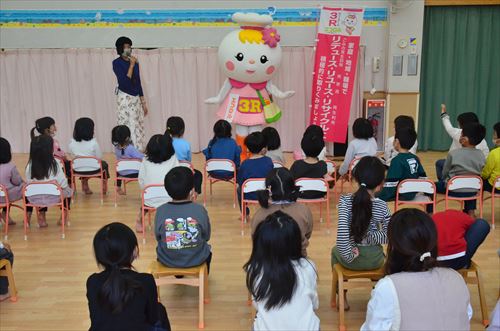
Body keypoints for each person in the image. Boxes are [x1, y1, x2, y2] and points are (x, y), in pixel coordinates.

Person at [361, 208, 472, 331]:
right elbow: (466, 317)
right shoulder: (456, 277)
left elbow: (373, 328)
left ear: (394, 247)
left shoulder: (388, 286)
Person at [86, 222, 170, 331]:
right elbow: (153, 319)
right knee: (160, 310)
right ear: (135, 251)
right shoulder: (145, 281)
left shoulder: (93, 282)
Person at [244, 211, 320, 331]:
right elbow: (314, 304)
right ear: (296, 242)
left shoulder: (255, 269)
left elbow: (257, 304)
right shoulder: (308, 267)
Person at [331, 156, 390, 309]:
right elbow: (389, 235)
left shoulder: (345, 202)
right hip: (375, 260)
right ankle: (377, 292)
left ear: (355, 179)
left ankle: (342, 296)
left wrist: (350, 254)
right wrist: (370, 237)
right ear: (379, 186)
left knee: (334, 251)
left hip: (350, 260)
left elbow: (342, 237)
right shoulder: (382, 206)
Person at [154, 167, 212, 271]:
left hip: (167, 259)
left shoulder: (160, 210)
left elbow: (158, 237)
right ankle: (204, 276)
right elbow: (206, 236)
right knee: (207, 248)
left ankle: (178, 273)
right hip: (196, 259)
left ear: (167, 189)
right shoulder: (199, 210)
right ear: (192, 189)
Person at [252, 168, 313, 257]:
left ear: (268, 189)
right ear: (292, 186)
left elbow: (256, 239)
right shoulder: (304, 210)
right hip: (298, 259)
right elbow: (307, 234)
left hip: (267, 261)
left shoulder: (259, 214)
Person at [429, 122, 487, 216]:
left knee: (430, 186)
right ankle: (470, 212)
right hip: (472, 191)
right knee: (470, 183)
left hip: (453, 189)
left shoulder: (453, 153)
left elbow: (445, 172)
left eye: (461, 134)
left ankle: (430, 214)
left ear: (464, 139)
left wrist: (444, 179)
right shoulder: (481, 154)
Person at [25, 135, 72, 227]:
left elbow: (28, 182)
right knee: (68, 190)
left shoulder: (30, 165)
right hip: (54, 197)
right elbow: (63, 183)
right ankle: (64, 215)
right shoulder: (56, 164)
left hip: (35, 199)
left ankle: (41, 215)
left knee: (36, 190)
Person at [137, 134, 179, 232]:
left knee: (146, 199)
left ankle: (139, 220)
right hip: (169, 198)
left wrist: (145, 190)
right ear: (169, 148)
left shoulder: (145, 160)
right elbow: (177, 175)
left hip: (149, 199)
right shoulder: (173, 158)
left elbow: (141, 180)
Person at [435, 104, 489, 181]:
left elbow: (448, 126)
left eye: (459, 124)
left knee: (440, 163)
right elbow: (485, 161)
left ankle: (443, 182)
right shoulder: (481, 139)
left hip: (455, 175)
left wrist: (444, 114)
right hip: (475, 178)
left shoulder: (458, 133)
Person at [113, 36, 148, 151]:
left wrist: (143, 102)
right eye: (126, 47)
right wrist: (132, 65)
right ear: (120, 48)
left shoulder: (135, 62)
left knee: (137, 124)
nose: (129, 49)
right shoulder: (117, 63)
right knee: (127, 124)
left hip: (135, 98)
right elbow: (124, 83)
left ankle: (138, 151)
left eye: (130, 47)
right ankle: (127, 150)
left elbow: (138, 82)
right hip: (125, 98)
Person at [377, 127, 427, 202]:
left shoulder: (396, 161)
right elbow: (423, 177)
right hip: (413, 192)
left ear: (397, 142)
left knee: (372, 195)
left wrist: (380, 197)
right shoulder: (415, 158)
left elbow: (391, 185)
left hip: (402, 194)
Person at [68, 117, 109, 195]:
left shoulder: (71, 143)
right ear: (91, 130)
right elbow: (99, 157)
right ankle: (104, 185)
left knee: (82, 165)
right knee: (104, 164)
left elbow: (72, 156)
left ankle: (84, 183)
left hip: (77, 169)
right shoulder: (94, 143)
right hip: (94, 169)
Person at [237, 132, 274, 211]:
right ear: (264, 149)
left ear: (248, 149)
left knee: (239, 189)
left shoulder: (244, 164)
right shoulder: (268, 161)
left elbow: (240, 181)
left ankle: (245, 213)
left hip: (249, 195)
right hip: (265, 194)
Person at [165, 116, 202, 194]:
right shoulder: (186, 144)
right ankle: (195, 193)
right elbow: (189, 161)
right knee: (198, 174)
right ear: (182, 130)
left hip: (167, 171)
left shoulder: (164, 142)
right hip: (184, 172)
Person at [290, 133, 328, 199]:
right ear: (321, 149)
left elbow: (290, 180)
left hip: (300, 193)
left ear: (303, 148)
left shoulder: (297, 164)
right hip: (319, 194)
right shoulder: (323, 164)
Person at [111, 125, 144, 195]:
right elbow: (141, 157)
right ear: (127, 137)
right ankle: (145, 189)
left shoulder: (116, 148)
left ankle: (118, 186)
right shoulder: (130, 148)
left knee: (118, 167)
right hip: (135, 173)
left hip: (122, 173)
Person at [0, 137, 24, 225]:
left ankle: (4, 213)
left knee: (5, 190)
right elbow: (17, 181)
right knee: (25, 186)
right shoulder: (10, 166)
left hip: (2, 194)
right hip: (6, 196)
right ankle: (5, 213)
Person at [481, 122, 500, 193]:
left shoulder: (494, 153)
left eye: (494, 134)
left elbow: (485, 174)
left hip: (495, 186)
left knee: (478, 180)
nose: (493, 136)